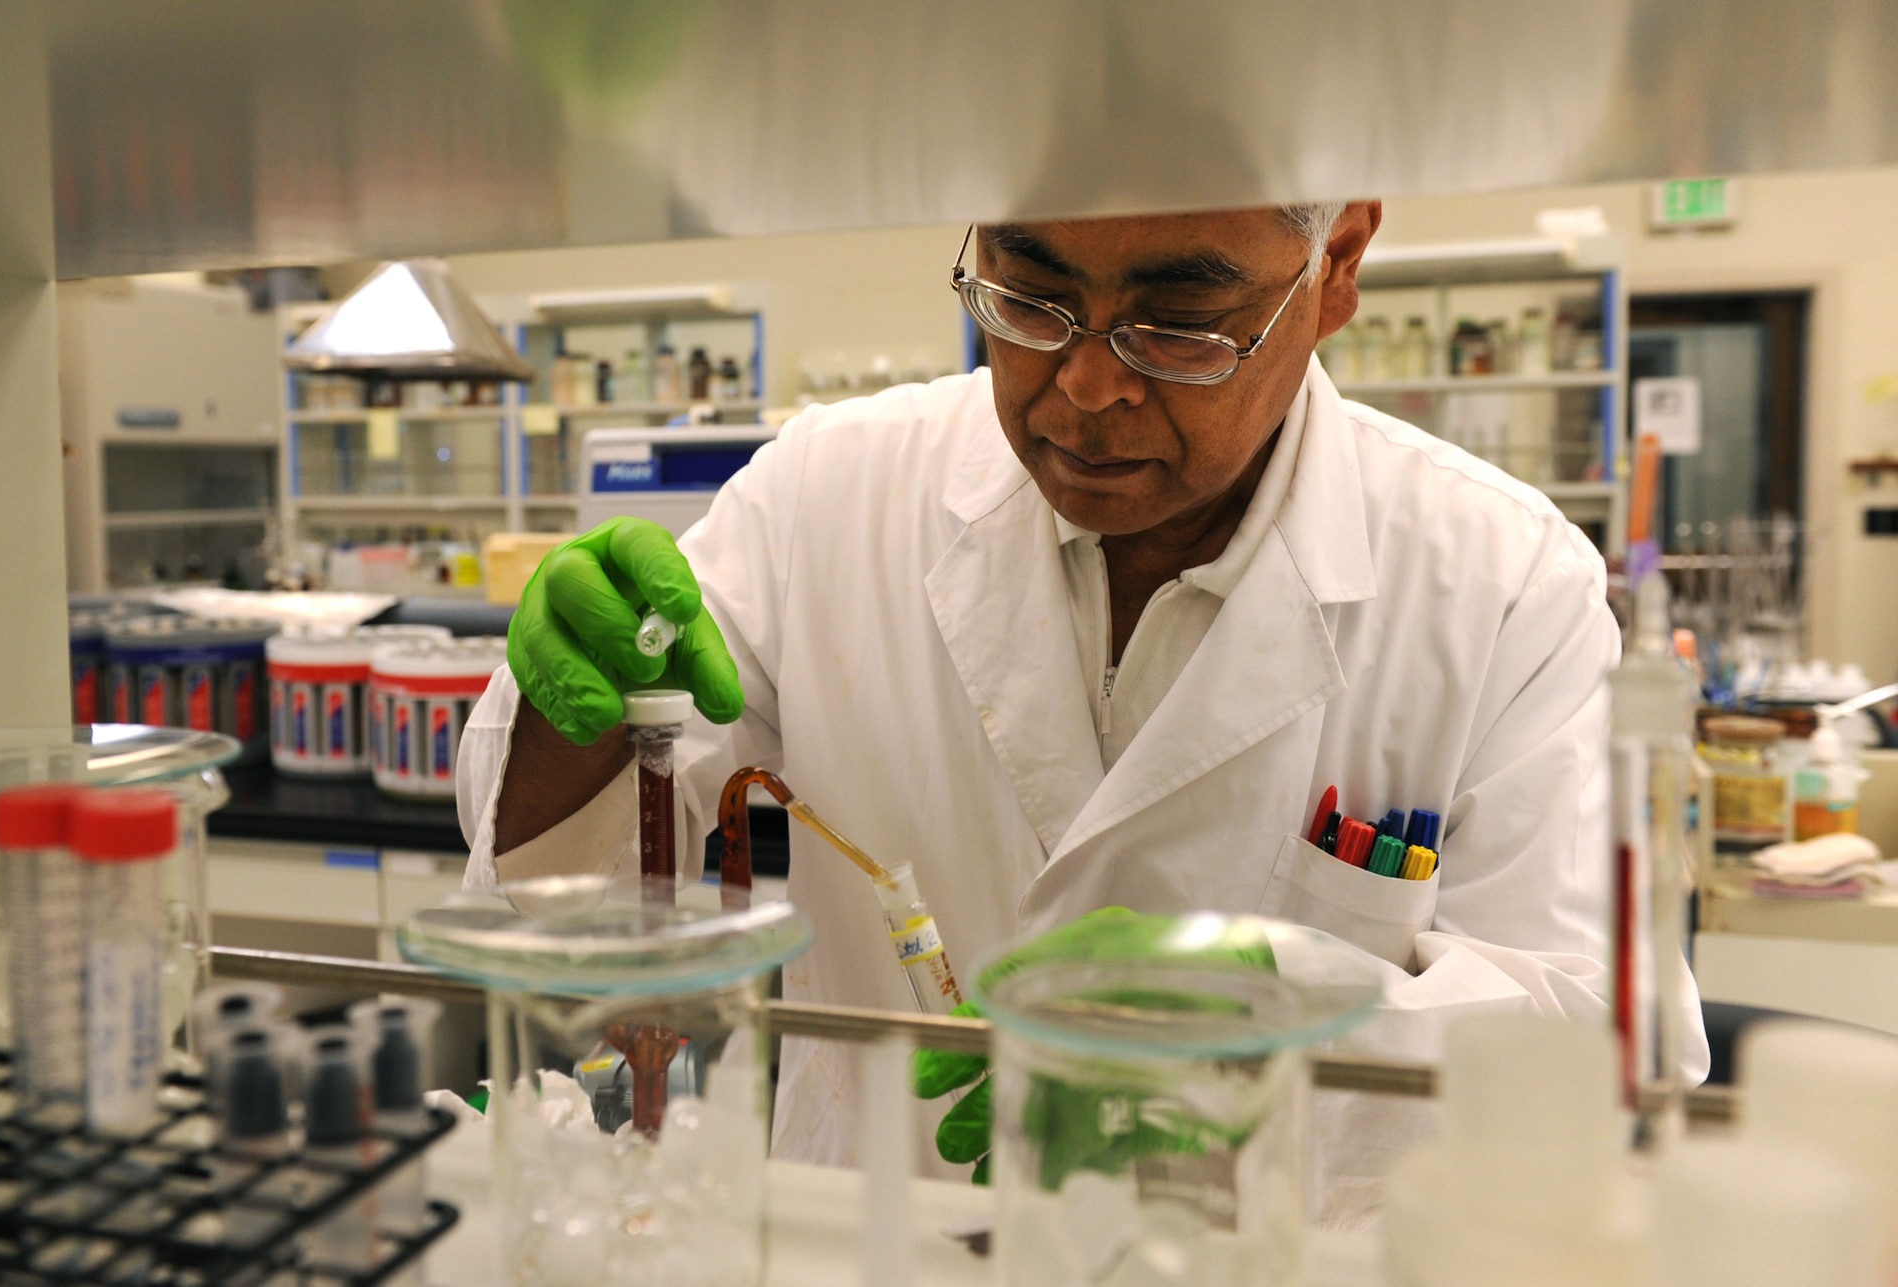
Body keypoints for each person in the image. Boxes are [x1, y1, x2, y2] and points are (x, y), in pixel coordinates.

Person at [456, 201, 1706, 1224]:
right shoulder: (823, 496)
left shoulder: (1498, 579)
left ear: (1334, 269)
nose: (1088, 384)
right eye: (1029, 299)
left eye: (1179, 321)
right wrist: (580, 707)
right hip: (888, 1243)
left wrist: (1257, 1029)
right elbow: (578, 878)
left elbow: (1602, 1040)